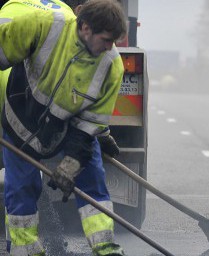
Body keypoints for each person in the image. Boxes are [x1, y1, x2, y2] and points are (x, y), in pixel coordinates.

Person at [0, 0, 127, 255]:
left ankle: (105, 246)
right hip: (20, 121)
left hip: (68, 127)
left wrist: (71, 163)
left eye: (114, 41)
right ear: (86, 28)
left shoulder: (112, 65)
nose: (110, 47)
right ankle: (28, 250)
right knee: (22, 188)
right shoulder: (43, 26)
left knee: (92, 180)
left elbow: (89, 124)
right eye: (106, 39)